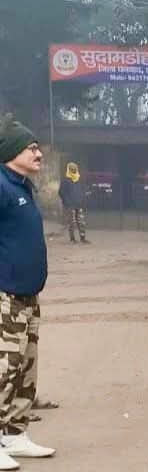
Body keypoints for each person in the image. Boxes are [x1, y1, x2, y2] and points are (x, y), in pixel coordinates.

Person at [0, 114, 56, 469]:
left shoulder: (21, 186)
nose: (38, 153)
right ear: (11, 151)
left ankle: (15, 433)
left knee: (25, 366)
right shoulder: (1, 187)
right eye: (31, 148)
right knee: (4, 367)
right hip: (5, 294)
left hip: (27, 295)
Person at [58, 162, 89, 244]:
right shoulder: (65, 180)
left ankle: (83, 238)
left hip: (79, 204)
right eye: (72, 169)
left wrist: (82, 199)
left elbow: (83, 190)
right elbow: (61, 192)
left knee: (81, 222)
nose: (74, 170)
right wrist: (67, 202)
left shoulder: (79, 179)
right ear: (69, 169)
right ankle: (72, 239)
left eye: (75, 169)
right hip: (70, 205)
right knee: (72, 223)